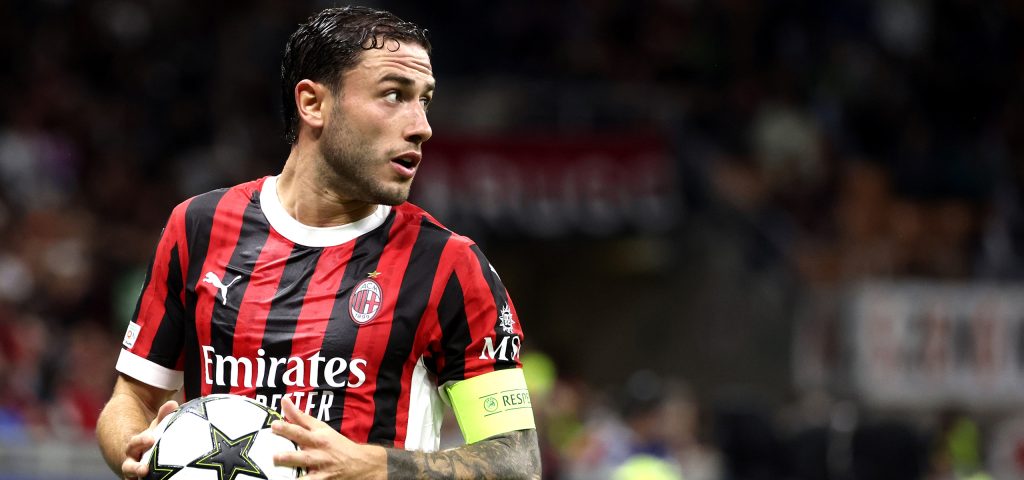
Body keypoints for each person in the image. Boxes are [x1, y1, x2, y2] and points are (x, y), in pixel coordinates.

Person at [95, 6, 540, 479]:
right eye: (394, 95)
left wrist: (373, 466)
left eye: (424, 100)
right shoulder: (198, 227)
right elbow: (132, 398)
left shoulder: (449, 265)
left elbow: (517, 462)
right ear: (312, 104)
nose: (421, 126)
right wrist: (135, 451)